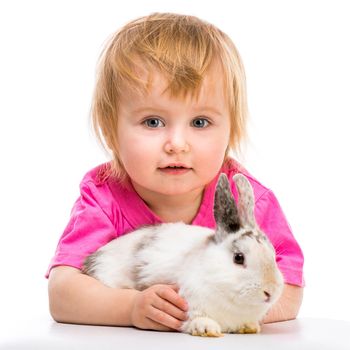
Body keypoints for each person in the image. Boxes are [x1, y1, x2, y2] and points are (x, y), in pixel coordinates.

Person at [47, 12, 304, 332]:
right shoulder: (103, 196)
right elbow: (62, 292)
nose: (177, 144)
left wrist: (223, 309)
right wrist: (129, 308)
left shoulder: (250, 201)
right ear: (111, 132)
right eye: (153, 122)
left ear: (231, 132)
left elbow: (290, 288)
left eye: (200, 122)